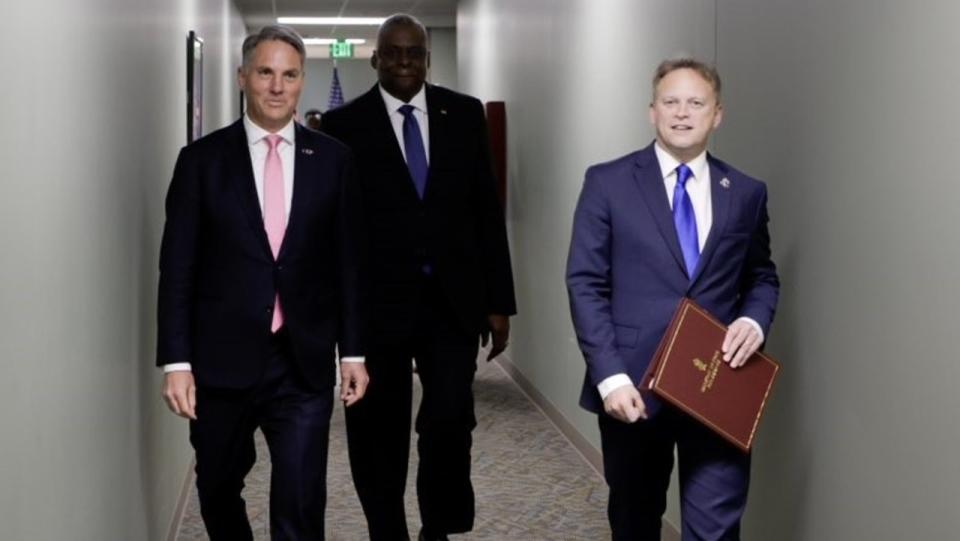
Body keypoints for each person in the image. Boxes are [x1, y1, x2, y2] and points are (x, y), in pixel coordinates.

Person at [157, 25, 368, 541]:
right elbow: (177, 267)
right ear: (243, 77)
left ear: (302, 81)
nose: (278, 86)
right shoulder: (202, 162)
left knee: (300, 500)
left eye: (290, 75)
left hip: (301, 360)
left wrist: (354, 352)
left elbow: (350, 264)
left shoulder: (334, 161)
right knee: (218, 487)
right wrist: (177, 361)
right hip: (220, 362)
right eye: (266, 73)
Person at [320, 13, 516, 541]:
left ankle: (439, 527)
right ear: (376, 58)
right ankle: (388, 529)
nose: (404, 62)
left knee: (450, 421)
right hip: (378, 308)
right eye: (394, 52)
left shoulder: (464, 113)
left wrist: (499, 302)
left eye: (414, 53)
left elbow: (485, 210)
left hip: (453, 304)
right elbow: (337, 230)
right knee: (377, 430)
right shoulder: (343, 127)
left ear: (428, 59)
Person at [566, 58, 780, 540]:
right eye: (671, 102)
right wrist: (609, 377)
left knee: (716, 527)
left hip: (718, 385)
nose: (682, 113)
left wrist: (754, 322)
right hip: (631, 388)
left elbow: (762, 276)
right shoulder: (608, 182)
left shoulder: (745, 192)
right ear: (652, 111)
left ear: (717, 115)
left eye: (696, 103)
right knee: (635, 520)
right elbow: (585, 282)